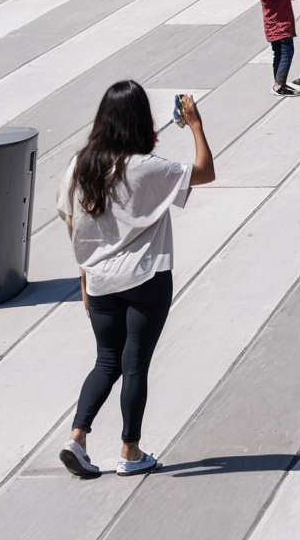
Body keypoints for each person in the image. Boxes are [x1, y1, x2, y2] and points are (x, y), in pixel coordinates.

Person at [48, 77, 220, 480]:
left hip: (100, 280)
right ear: (140, 121)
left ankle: (77, 437)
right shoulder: (147, 168)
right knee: (136, 363)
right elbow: (205, 172)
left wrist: (85, 279)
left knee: (106, 361)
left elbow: (72, 223)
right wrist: (195, 125)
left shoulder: (80, 166)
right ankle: (130, 450)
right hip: (146, 278)